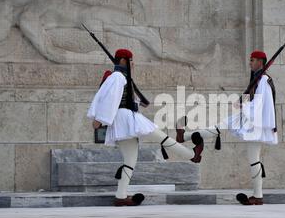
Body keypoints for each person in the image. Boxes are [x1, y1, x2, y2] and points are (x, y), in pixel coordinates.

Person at [87, 48, 204, 206]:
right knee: (162, 138)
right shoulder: (117, 77)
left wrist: (137, 98)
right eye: (131, 61)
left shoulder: (123, 77)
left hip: (125, 119)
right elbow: (109, 99)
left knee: (130, 160)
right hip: (126, 118)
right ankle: (192, 155)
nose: (133, 64)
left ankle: (121, 196)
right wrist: (99, 120)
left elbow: (130, 100)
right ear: (123, 61)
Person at [176, 50, 278, 205]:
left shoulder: (264, 79)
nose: (250, 62)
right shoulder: (257, 78)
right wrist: (241, 102)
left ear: (260, 62)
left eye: (252, 60)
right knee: (221, 125)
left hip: (256, 122)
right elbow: (250, 93)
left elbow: (260, 103)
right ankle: (185, 136)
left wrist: (242, 104)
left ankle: (258, 196)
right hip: (249, 118)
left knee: (254, 159)